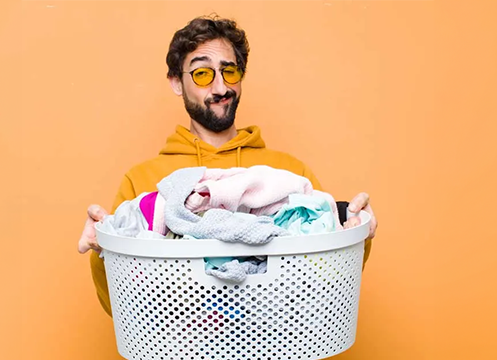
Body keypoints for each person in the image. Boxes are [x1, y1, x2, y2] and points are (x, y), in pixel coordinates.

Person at [77, 15, 377, 321]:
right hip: (181, 348)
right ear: (176, 82)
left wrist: (357, 235)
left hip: (276, 343)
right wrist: (102, 249)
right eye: (203, 74)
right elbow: (121, 304)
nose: (221, 87)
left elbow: (326, 281)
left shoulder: (288, 175)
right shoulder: (143, 181)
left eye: (229, 71)